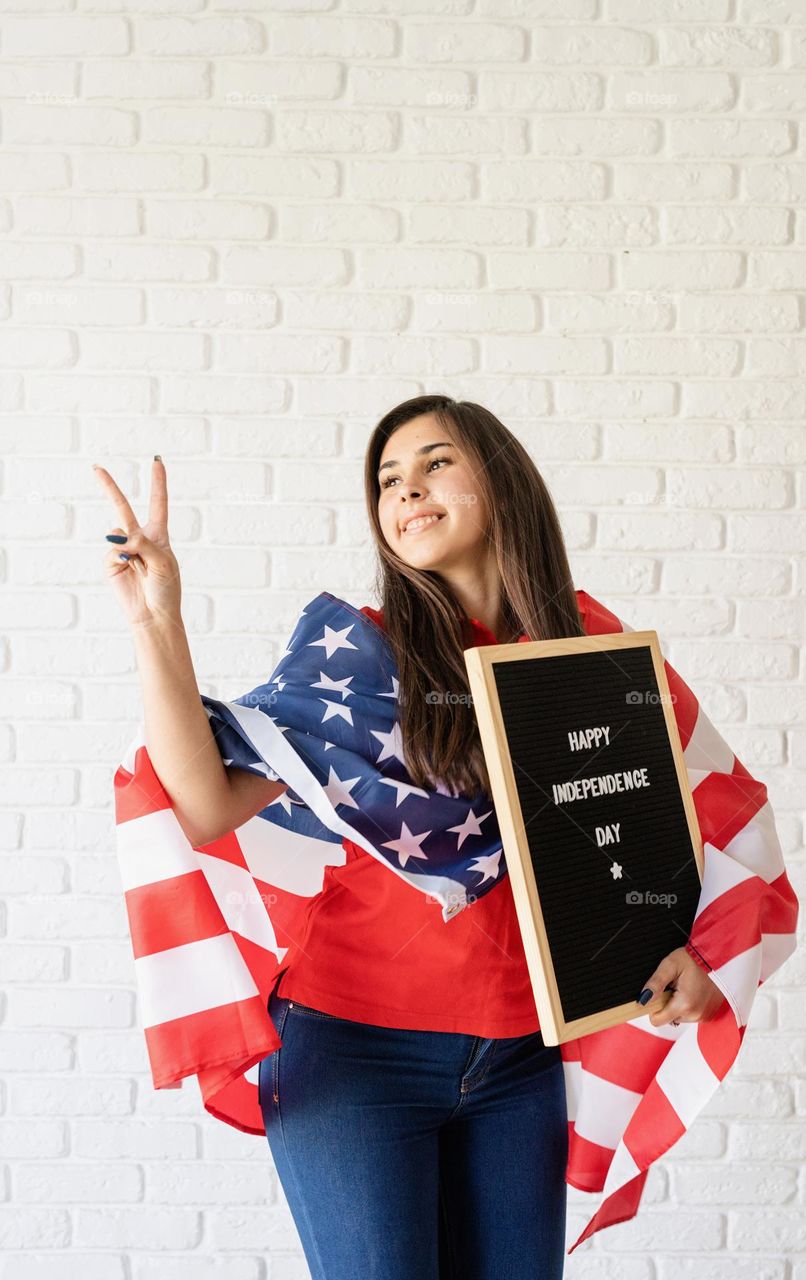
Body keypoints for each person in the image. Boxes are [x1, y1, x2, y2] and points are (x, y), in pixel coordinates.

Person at [95, 396, 759, 1278]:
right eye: (387, 479)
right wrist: (156, 621)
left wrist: (700, 949)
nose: (406, 489)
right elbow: (205, 804)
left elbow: (708, 811)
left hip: (520, 1064)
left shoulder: (590, 650)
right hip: (352, 1053)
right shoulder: (358, 657)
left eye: (434, 463)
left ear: (502, 480)